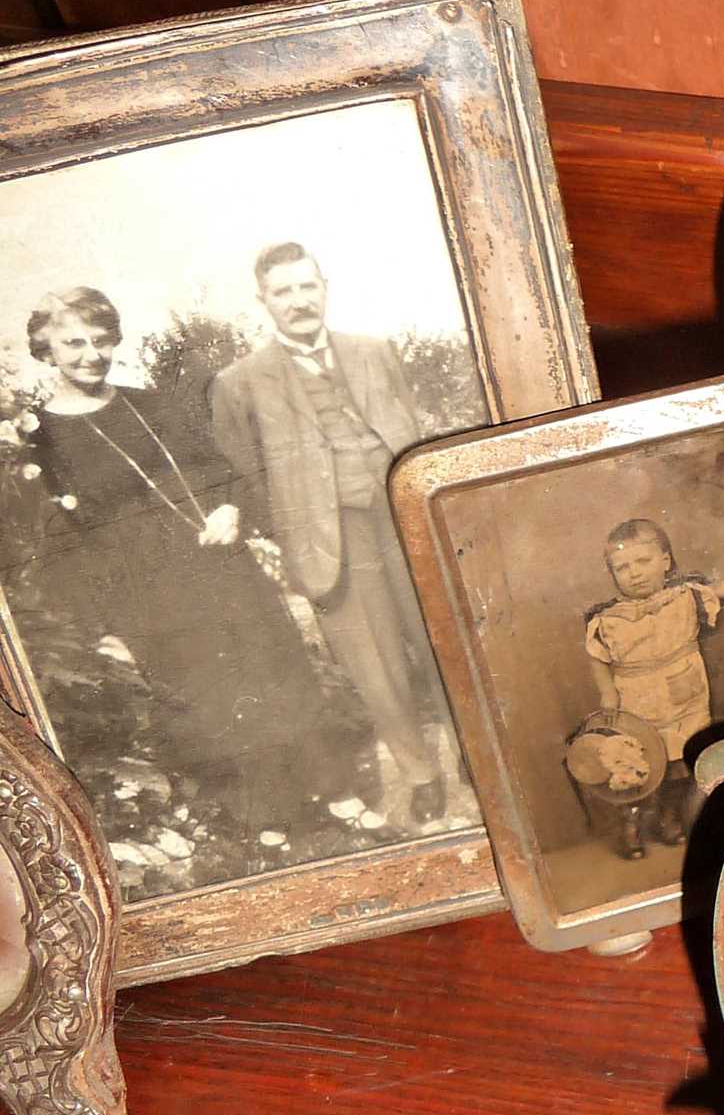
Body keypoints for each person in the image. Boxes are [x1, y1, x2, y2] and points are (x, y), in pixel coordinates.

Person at [24, 286, 336, 835]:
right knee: (209, 692)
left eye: (101, 341)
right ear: (45, 349)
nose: (90, 354)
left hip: (217, 562)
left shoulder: (148, 404)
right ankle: (257, 817)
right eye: (73, 342)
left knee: (272, 668)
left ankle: (319, 792)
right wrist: (98, 624)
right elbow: (60, 545)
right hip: (145, 589)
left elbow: (221, 470)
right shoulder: (37, 441)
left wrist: (230, 510)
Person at [209, 242, 451, 826]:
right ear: (264, 302)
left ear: (324, 286)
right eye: (283, 292)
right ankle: (421, 774)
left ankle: (476, 758)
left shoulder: (374, 352)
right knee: (376, 666)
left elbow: (408, 424)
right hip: (330, 540)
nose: (298, 302)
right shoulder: (241, 382)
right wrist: (292, 532)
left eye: (305, 286)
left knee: (445, 645)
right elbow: (245, 471)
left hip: (406, 520)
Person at [584, 517, 724, 855]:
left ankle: (669, 818)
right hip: (636, 698)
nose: (634, 572)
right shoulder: (607, 619)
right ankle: (632, 824)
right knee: (638, 763)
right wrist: (607, 693)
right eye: (622, 567)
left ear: (665, 561)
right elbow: (597, 657)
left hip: (684, 695)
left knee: (679, 764)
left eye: (643, 561)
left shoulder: (686, 595)